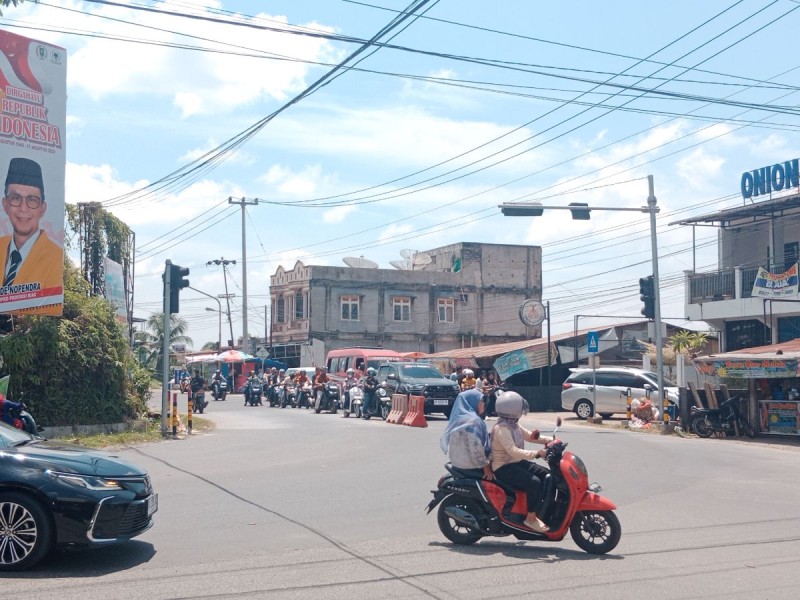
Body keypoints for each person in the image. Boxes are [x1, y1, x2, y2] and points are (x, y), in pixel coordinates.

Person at [490, 391, 552, 533]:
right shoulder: (502, 429)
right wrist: (537, 453)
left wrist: (550, 440)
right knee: (534, 483)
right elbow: (513, 451)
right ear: (512, 409)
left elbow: (530, 436)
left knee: (547, 475)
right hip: (503, 467)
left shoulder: (513, 424)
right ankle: (530, 518)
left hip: (515, 462)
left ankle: (541, 511)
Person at [0, 157, 62, 293]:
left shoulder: (55, 257)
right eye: (16, 198)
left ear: (42, 208)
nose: (23, 208)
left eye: (32, 200)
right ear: (5, 204)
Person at [440, 387, 493, 480]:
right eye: (481, 401)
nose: (484, 404)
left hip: (457, 464)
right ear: (472, 402)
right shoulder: (473, 421)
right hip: (471, 466)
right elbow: (476, 448)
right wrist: (486, 467)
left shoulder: (458, 419)